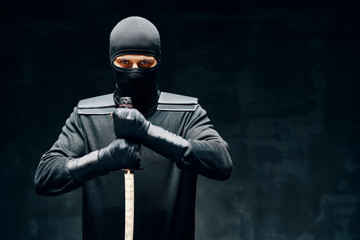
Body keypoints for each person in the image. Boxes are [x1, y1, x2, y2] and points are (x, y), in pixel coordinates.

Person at [34, 16, 232, 240]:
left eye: (145, 63)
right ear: (112, 62)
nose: (135, 70)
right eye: (125, 63)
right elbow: (46, 177)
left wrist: (147, 132)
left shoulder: (186, 112)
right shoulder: (87, 115)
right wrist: (103, 159)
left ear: (157, 61)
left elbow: (221, 163)